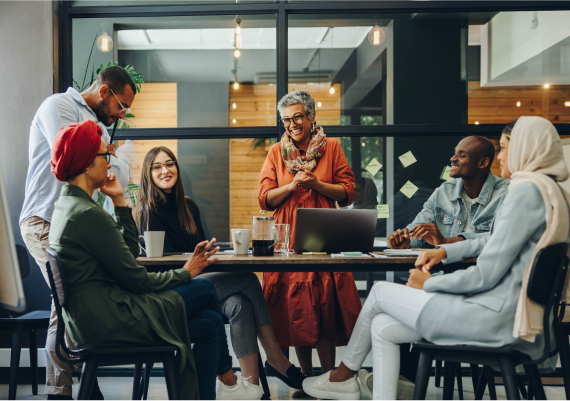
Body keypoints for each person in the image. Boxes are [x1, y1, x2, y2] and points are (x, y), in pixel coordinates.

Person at [302, 116, 570, 401]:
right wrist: (444, 250)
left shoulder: (524, 192)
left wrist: (427, 283)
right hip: (510, 311)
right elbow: (494, 241)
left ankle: (342, 376)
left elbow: (486, 274)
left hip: (495, 316)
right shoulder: (552, 192)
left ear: (526, 148)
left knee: (379, 292)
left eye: (504, 148)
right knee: (381, 326)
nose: (502, 157)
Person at [48, 120, 264, 401]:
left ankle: (226, 385)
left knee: (211, 321)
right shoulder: (87, 215)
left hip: (97, 318)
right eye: (105, 155)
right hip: (111, 321)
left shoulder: (69, 207)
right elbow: (136, 279)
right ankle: (230, 381)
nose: (110, 161)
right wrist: (187, 272)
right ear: (87, 163)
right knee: (204, 288)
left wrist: (119, 202)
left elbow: (128, 254)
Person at [134, 146, 306, 395]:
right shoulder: (147, 210)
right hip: (175, 288)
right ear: (148, 174)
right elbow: (165, 267)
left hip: (200, 281)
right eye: (157, 166)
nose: (165, 170)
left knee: (239, 304)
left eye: (170, 164)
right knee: (247, 280)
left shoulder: (188, 207)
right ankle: (276, 358)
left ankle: (251, 389)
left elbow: (203, 253)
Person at [19, 66, 135, 401]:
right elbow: (75, 156)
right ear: (103, 92)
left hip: (75, 224)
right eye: (121, 105)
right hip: (44, 220)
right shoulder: (59, 106)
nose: (122, 114)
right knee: (66, 297)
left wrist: (110, 155)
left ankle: (84, 381)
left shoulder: (98, 124)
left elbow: (117, 177)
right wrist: (109, 153)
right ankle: (62, 390)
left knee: (77, 298)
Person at [258, 90, 362, 396]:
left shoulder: (331, 147)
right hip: (287, 236)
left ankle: (329, 378)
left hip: (323, 230)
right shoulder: (277, 152)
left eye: (298, 117)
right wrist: (291, 185)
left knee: (324, 302)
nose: (292, 124)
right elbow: (264, 199)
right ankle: (304, 381)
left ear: (312, 117)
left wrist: (316, 184)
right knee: (296, 305)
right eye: (287, 119)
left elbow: (348, 192)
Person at [388, 135, 509, 249]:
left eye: (462, 155)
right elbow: (417, 229)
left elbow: (501, 238)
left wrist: (446, 241)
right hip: (444, 270)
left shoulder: (506, 193)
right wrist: (405, 239)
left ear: (483, 163)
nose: (453, 159)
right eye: (454, 153)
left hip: (484, 270)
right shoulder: (444, 191)